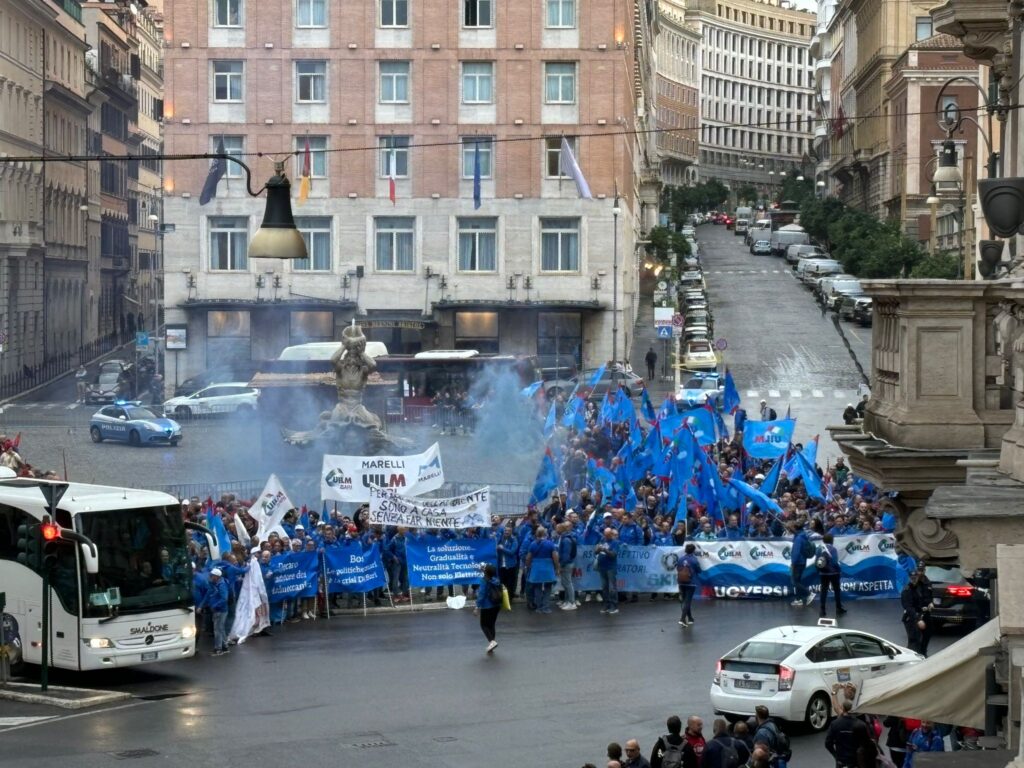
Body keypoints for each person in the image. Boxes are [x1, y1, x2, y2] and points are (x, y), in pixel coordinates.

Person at [825, 700, 871, 768]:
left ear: (843, 708)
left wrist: (836, 756)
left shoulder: (835, 724)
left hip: (842, 761)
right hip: (857, 761)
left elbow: (828, 743)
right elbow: (867, 744)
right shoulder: (861, 724)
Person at [524, 527, 560, 613]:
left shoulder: (533, 544)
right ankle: (546, 607)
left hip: (536, 568)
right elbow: (555, 557)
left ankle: (539, 607)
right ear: (545, 534)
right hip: (548, 567)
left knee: (537, 588)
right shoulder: (550, 544)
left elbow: (528, 558)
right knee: (548, 588)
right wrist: (557, 568)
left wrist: (527, 566)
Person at [901, 566, 933, 655]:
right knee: (914, 640)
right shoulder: (907, 590)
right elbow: (908, 607)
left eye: (915, 578)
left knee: (928, 633)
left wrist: (929, 603)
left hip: (923, 613)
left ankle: (923, 653)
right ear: (909, 578)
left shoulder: (921, 586)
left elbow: (926, 597)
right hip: (912, 617)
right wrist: (918, 620)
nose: (914, 580)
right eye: (912, 578)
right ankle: (913, 657)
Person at [197, 567, 230, 656]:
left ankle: (218, 649)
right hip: (218, 610)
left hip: (220, 610)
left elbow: (224, 598)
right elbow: (207, 596)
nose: (210, 576)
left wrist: (215, 606)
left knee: (217, 630)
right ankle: (225, 647)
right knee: (221, 629)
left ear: (217, 576)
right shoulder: (213, 584)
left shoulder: (221, 585)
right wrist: (201, 606)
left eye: (212, 575)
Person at [476, 563, 502, 653]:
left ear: (485, 572)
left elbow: (481, 595)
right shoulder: (496, 580)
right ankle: (492, 643)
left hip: (487, 606)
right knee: (491, 625)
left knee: (483, 625)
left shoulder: (484, 581)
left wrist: (477, 607)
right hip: (496, 605)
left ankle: (492, 641)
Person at [816, 533, 845, 618]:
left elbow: (817, 561)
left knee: (823, 591)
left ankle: (822, 609)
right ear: (832, 540)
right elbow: (835, 562)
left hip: (823, 573)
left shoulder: (819, 549)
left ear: (823, 540)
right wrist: (839, 570)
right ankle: (838, 608)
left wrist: (819, 570)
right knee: (836, 590)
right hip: (834, 573)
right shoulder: (833, 549)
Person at [789, 521, 816, 607]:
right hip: (803, 561)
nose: (790, 529)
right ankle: (798, 599)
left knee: (794, 581)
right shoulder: (803, 536)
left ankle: (809, 594)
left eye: (792, 528)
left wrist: (793, 563)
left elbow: (796, 553)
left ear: (795, 528)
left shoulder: (798, 539)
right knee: (798, 581)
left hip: (798, 562)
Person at [595, 527, 620, 615]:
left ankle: (614, 605)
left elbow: (613, 555)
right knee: (604, 587)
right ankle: (606, 604)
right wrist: (598, 549)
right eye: (605, 534)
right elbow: (595, 551)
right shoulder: (602, 540)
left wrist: (605, 549)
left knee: (612, 588)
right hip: (602, 567)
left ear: (611, 534)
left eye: (608, 534)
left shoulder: (615, 542)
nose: (606, 536)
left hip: (611, 567)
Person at [676, 543, 701, 627]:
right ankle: (682, 619)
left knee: (685, 601)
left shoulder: (680, 559)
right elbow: (699, 570)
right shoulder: (694, 560)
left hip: (681, 581)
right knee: (688, 601)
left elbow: (677, 568)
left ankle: (690, 618)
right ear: (693, 551)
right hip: (691, 582)